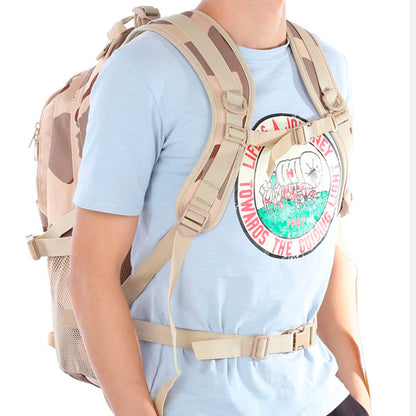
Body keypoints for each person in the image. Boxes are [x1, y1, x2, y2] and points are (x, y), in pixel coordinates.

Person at [68, 0, 372, 415]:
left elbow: (325, 242)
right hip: (192, 401)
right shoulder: (145, 68)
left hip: (321, 398)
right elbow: (91, 272)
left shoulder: (327, 69)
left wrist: (356, 391)